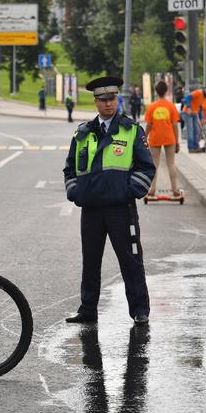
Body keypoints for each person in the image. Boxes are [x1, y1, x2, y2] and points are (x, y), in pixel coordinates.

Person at [63, 76, 155, 325]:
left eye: (112, 98)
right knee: (90, 261)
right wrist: (75, 192)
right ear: (96, 102)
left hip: (120, 208)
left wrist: (129, 191)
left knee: (131, 260)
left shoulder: (131, 130)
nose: (109, 104)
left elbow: (146, 167)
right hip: (92, 209)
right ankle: (88, 309)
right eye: (104, 100)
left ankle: (139, 310)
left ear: (117, 99)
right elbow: (70, 169)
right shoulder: (82, 134)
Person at [144, 81, 181, 197]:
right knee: (171, 163)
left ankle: (152, 189)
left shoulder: (151, 107)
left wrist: (144, 137)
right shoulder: (171, 106)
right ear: (166, 91)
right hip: (169, 138)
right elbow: (175, 125)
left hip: (155, 138)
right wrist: (177, 141)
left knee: (154, 164)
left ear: (156, 91)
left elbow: (149, 125)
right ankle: (175, 190)